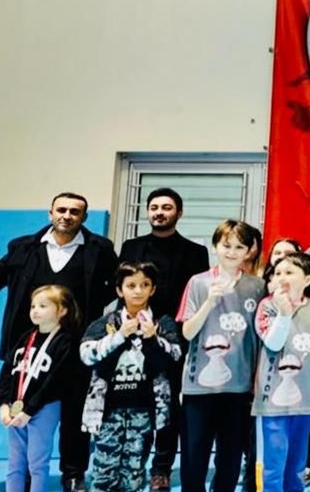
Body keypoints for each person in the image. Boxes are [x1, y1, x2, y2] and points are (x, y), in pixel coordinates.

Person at [0, 191, 117, 492]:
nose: (67, 216)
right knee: (24, 407)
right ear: (50, 213)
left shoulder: (100, 249)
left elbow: (115, 287)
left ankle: (73, 473)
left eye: (75, 211)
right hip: (28, 346)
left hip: (76, 348)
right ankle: (22, 474)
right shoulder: (23, 247)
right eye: (61, 210)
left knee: (74, 413)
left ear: (84, 217)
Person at [118, 188, 211, 492]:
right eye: (154, 207)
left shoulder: (195, 252)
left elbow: (196, 298)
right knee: (135, 400)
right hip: (133, 334)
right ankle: (133, 462)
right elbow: (122, 290)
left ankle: (161, 468)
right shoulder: (131, 247)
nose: (159, 212)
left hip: (174, 337)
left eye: (167, 207)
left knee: (169, 405)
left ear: (179, 213)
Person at [177, 220, 266, 492]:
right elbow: (187, 332)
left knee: (230, 459)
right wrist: (209, 302)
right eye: (226, 245)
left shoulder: (257, 286)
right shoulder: (198, 282)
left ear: (249, 251)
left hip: (239, 387)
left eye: (239, 247)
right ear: (215, 246)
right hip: (199, 388)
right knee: (194, 458)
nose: (232, 252)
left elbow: (260, 338)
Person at [80, 261, 184, 492]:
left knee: (134, 471)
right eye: (131, 285)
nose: (138, 291)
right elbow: (86, 355)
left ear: (152, 289)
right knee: (104, 471)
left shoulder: (162, 323)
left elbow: (173, 358)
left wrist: (152, 339)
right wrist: (118, 336)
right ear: (120, 290)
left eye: (144, 285)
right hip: (109, 409)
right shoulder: (106, 322)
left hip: (144, 409)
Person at [253, 253, 310, 492]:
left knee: (297, 463)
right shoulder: (267, 306)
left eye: (289, 272)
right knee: (273, 463)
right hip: (273, 399)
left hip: (307, 397)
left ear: (307, 279)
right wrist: (284, 313)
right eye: (278, 273)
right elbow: (273, 343)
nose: (282, 277)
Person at [0, 285, 80, 492]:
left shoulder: (65, 342)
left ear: (62, 310)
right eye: (33, 306)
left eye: (43, 306)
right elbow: (7, 372)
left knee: (37, 463)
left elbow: (54, 382)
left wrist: (29, 410)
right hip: (16, 408)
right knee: (15, 464)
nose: (35, 310)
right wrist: (3, 404)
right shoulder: (25, 338)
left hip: (44, 408)